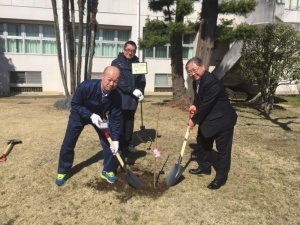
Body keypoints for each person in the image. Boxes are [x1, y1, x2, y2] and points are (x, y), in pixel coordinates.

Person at [55, 66, 122, 186]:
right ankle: (63, 171)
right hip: (79, 115)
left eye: (115, 81)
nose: (111, 84)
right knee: (68, 142)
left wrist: (116, 139)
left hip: (100, 117)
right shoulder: (86, 86)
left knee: (109, 141)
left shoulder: (116, 96)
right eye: (109, 79)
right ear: (102, 76)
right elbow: (75, 104)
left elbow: (115, 119)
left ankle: (108, 170)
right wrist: (90, 115)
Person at [186, 57, 237, 190]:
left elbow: (207, 105)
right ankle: (204, 167)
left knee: (223, 151)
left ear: (202, 66)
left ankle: (221, 177)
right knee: (202, 143)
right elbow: (200, 99)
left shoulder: (211, 81)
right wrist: (194, 106)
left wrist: (193, 120)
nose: (192, 74)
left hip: (222, 120)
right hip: (208, 119)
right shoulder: (196, 81)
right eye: (189, 72)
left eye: (194, 70)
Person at [111, 40, 146, 153]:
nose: (130, 53)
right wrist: (132, 90)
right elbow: (119, 80)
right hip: (120, 98)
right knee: (120, 122)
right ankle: (119, 146)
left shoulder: (138, 63)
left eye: (132, 51)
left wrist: (140, 91)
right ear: (123, 50)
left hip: (132, 100)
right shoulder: (116, 63)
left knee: (130, 122)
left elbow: (142, 79)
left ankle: (128, 144)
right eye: (128, 50)